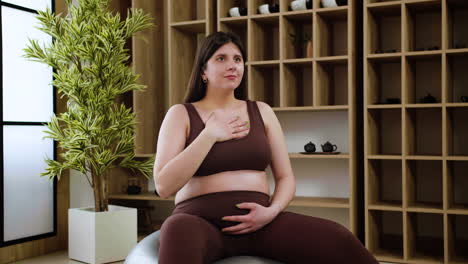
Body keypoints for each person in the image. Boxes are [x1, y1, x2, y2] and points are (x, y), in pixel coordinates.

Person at [153, 31, 378, 264]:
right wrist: (208, 135)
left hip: (261, 223)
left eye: (237, 59)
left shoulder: (262, 111)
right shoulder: (181, 114)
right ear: (203, 72)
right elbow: (164, 186)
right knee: (176, 229)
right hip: (200, 221)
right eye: (221, 58)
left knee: (339, 238)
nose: (232, 66)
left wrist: (271, 212)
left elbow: (286, 177)